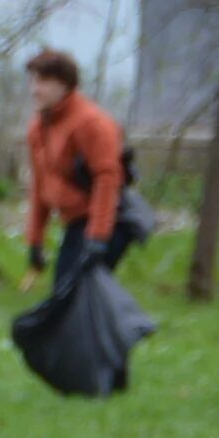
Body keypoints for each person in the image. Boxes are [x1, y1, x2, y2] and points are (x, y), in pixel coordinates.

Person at [22, 50, 134, 292]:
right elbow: (41, 186)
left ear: (63, 85)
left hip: (108, 221)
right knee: (69, 299)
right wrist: (35, 240)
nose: (34, 89)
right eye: (32, 80)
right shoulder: (38, 128)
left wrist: (97, 236)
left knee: (72, 299)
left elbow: (108, 179)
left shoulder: (91, 123)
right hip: (76, 224)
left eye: (42, 81)